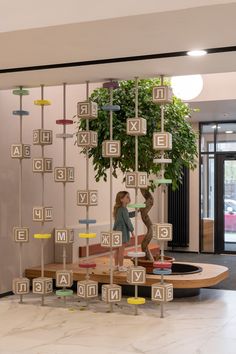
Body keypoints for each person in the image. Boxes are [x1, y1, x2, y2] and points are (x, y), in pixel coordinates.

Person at [113, 191, 135, 272]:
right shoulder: (123, 209)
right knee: (121, 250)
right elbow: (127, 220)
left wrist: (136, 212)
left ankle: (116, 266)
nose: (129, 198)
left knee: (117, 250)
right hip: (122, 232)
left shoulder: (119, 209)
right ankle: (121, 266)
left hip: (117, 231)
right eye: (127, 197)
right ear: (121, 199)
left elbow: (126, 216)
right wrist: (132, 231)